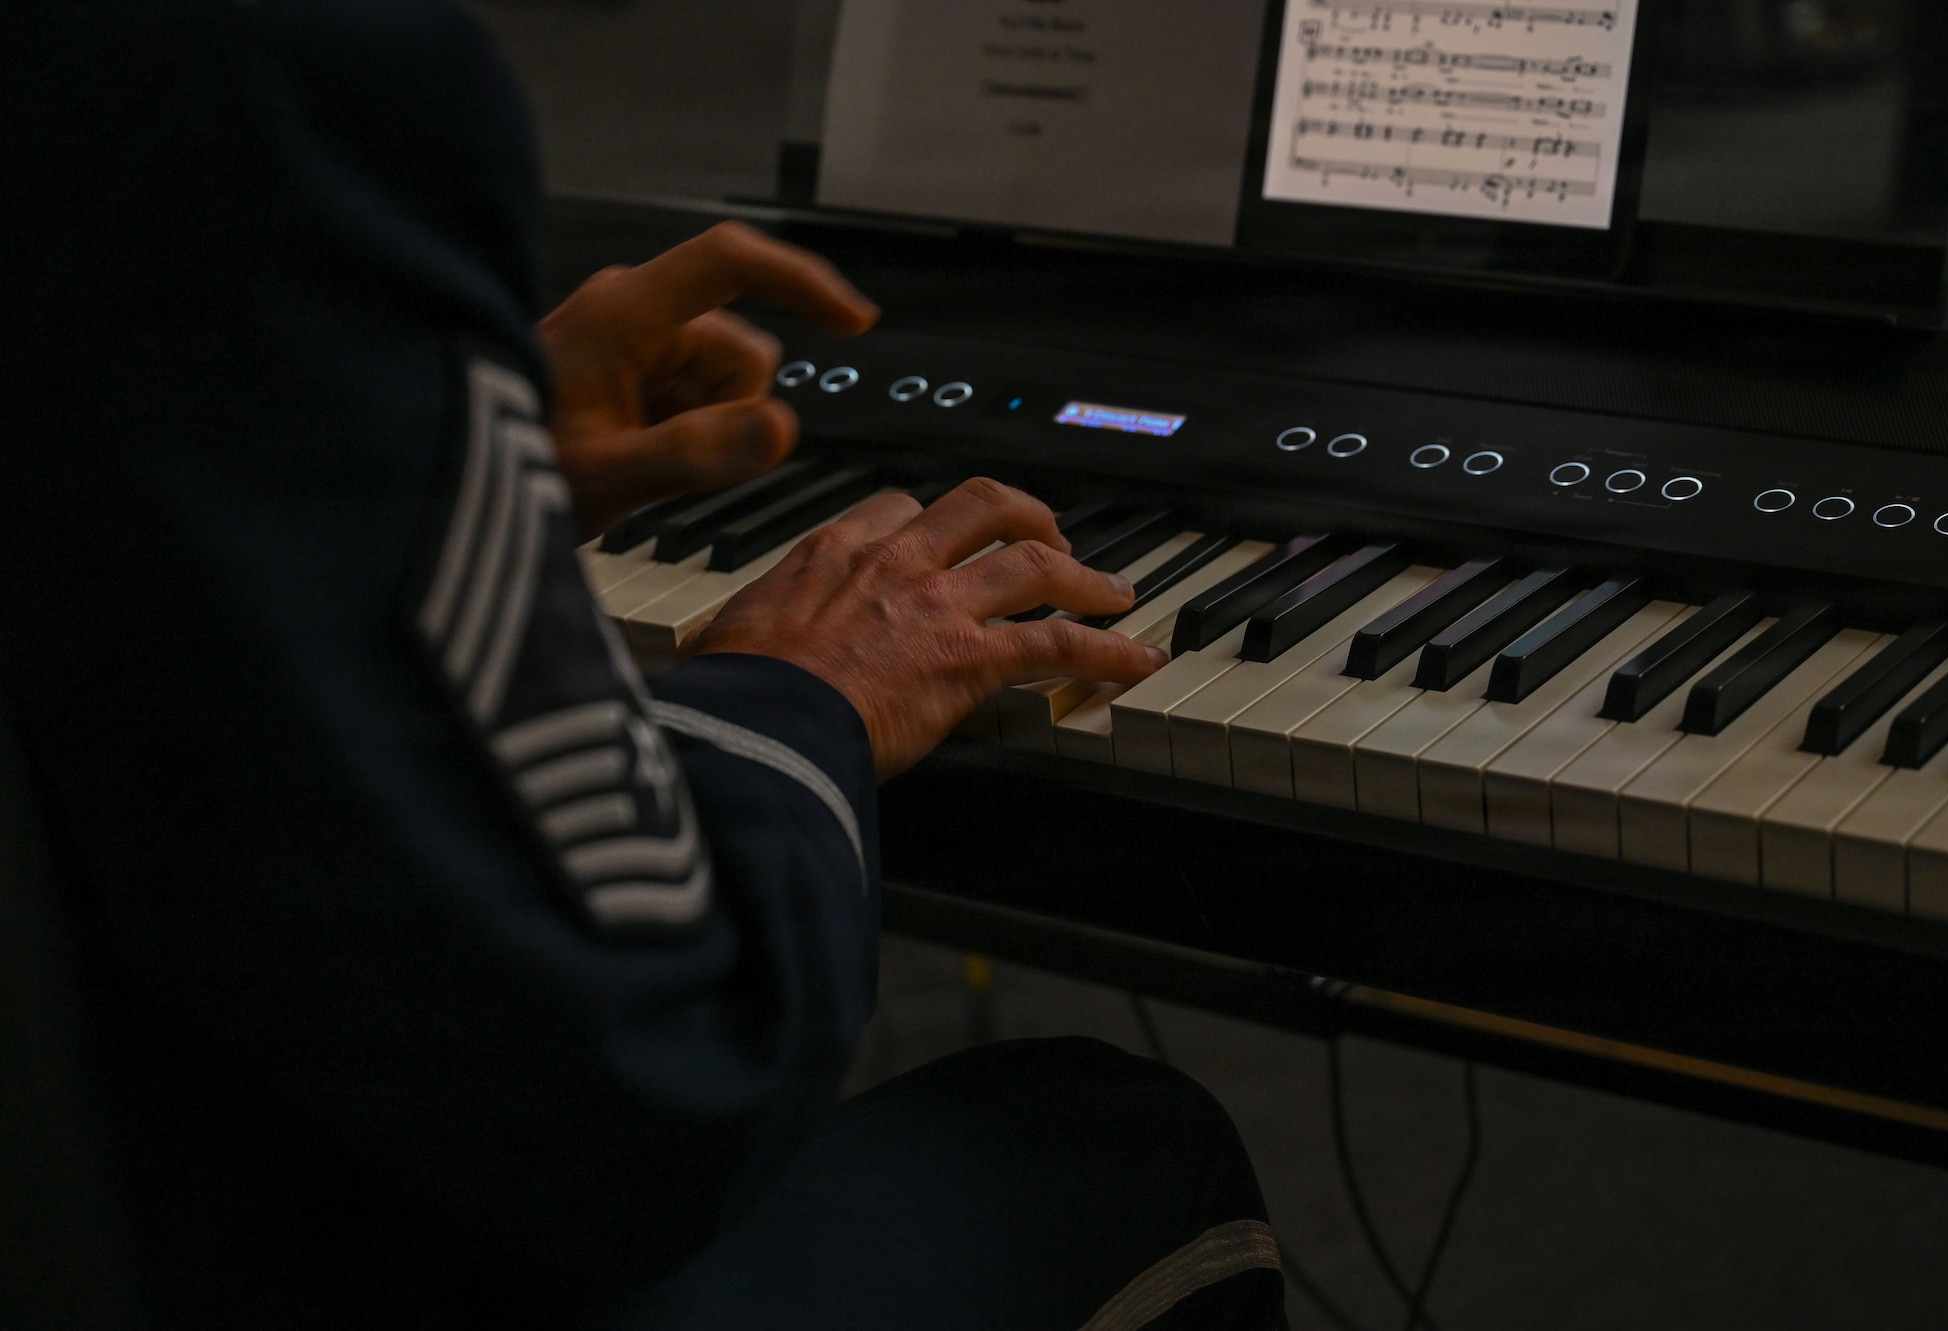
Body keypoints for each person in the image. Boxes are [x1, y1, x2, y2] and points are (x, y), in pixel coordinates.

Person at [2, 2, 1288, 1327]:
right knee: (1114, 1145)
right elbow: (650, 1086)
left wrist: (400, 472)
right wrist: (797, 696)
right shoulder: (257, 65)